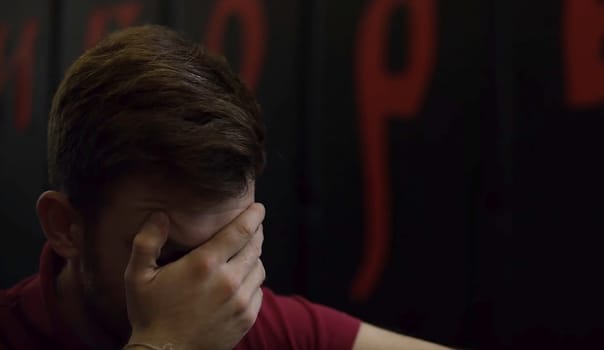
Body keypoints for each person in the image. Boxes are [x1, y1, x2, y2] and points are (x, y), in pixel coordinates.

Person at [0, 25, 452, 350]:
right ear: (65, 228)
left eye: (232, 248)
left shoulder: (237, 310)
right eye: (167, 257)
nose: (209, 284)